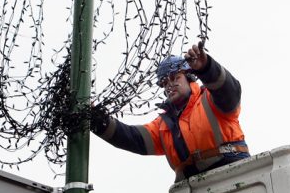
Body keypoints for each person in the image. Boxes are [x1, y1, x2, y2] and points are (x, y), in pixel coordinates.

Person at [92, 42, 250, 181]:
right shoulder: (163, 125)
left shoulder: (210, 100)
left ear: (189, 77)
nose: (169, 85)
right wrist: (95, 118)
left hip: (234, 177)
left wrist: (207, 67)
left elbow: (229, 91)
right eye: (164, 82)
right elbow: (130, 137)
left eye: (175, 77)